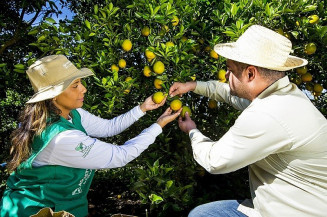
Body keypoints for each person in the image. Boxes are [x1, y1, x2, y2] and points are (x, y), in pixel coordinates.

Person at [169, 25, 327, 217]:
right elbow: (231, 95)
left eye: (229, 69)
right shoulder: (283, 96)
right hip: (272, 205)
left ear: (250, 74)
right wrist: (192, 86)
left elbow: (215, 161)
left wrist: (192, 131)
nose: (225, 75)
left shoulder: (269, 113)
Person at [0, 55, 181, 217]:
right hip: (37, 210)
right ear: (54, 96)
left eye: (81, 83)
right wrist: (159, 124)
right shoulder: (61, 138)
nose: (84, 89)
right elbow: (121, 156)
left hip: (67, 204)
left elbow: (109, 127)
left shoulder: (70, 113)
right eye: (75, 85)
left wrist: (142, 108)